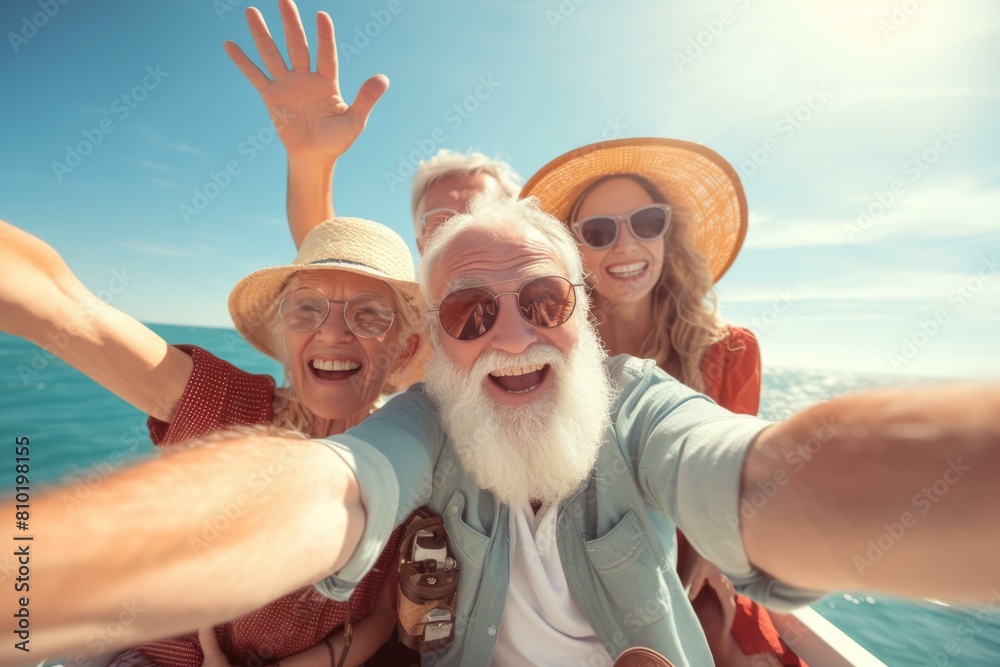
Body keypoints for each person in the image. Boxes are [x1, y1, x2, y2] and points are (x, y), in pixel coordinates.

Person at [9, 193, 1000, 667]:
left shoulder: (637, 401)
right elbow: (328, 492)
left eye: (540, 300)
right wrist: (38, 582)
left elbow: (749, 473)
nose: (511, 334)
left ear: (580, 307)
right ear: (438, 344)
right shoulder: (421, 423)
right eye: (470, 315)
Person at [0, 216, 425, 667]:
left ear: (404, 349)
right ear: (285, 334)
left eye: (368, 314)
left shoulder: (409, 460)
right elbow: (63, 305)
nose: (333, 331)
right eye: (306, 309)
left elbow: (381, 618)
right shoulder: (235, 408)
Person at [522, 138, 795, 665]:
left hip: (698, 560)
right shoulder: (550, 350)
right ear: (573, 251)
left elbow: (735, 480)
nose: (626, 246)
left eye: (646, 223)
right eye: (599, 232)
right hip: (579, 570)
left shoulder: (730, 351)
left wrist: (696, 579)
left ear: (668, 235)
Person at [223, 0, 521, 252]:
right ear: (420, 243)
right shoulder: (405, 316)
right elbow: (326, 249)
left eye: (482, 212)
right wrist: (311, 161)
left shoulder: (557, 303)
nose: (462, 230)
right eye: (441, 221)